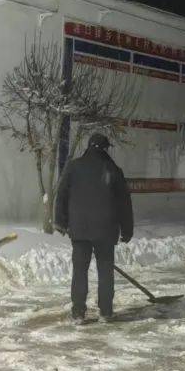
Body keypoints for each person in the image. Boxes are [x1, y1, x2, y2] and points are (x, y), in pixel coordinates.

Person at [54, 133, 134, 324]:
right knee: (105, 271)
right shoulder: (113, 169)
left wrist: (61, 222)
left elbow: (62, 194)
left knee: (80, 271)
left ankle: (78, 312)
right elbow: (124, 202)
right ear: (105, 149)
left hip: (80, 229)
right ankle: (106, 312)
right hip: (105, 231)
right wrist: (127, 229)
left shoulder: (74, 166)